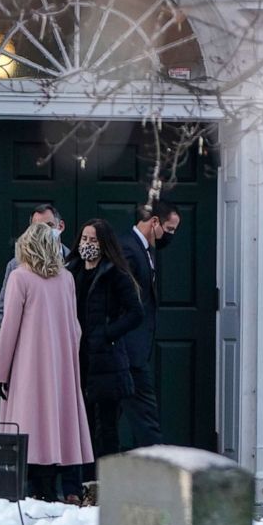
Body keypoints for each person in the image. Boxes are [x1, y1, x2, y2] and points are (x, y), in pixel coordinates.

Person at [0, 223, 93, 504]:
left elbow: (9, 327)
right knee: (55, 424)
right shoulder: (66, 279)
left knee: (27, 426)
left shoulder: (20, 277)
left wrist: (1, 372)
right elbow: (75, 327)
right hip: (60, 365)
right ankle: (53, 488)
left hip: (27, 366)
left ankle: (35, 490)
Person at [65, 219, 144, 481]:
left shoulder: (116, 273)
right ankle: (84, 482)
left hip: (107, 360)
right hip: (79, 356)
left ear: (104, 243)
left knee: (107, 426)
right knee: (82, 424)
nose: (87, 245)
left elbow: (135, 313)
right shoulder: (71, 270)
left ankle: (107, 483)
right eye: (84, 239)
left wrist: (107, 333)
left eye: (93, 240)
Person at [117, 199, 181, 448]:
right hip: (127, 351)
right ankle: (159, 467)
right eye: (170, 229)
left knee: (114, 418)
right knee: (145, 415)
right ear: (154, 222)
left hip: (135, 349)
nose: (170, 236)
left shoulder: (144, 250)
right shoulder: (128, 249)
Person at [0, 204, 68, 328]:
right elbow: (3, 310)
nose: (43, 231)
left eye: (49, 225)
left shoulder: (73, 262)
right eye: (38, 227)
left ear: (60, 226)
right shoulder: (16, 265)